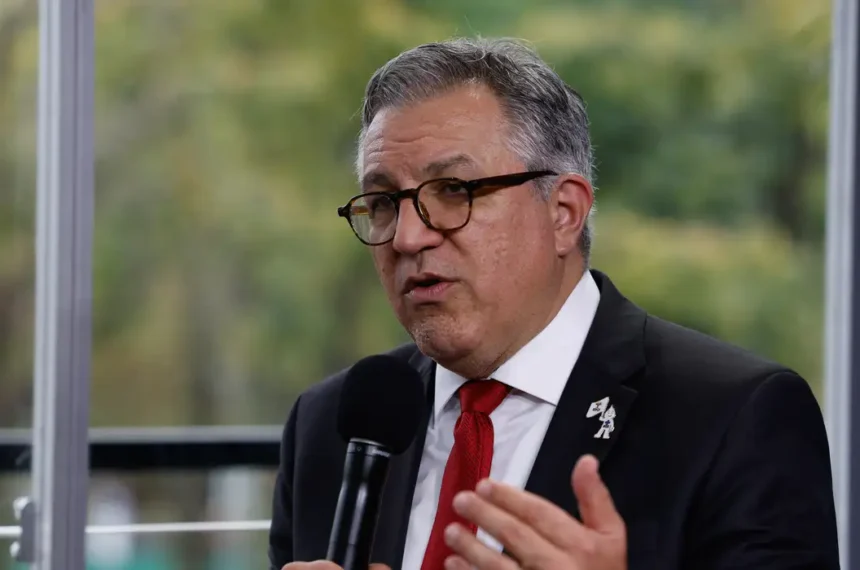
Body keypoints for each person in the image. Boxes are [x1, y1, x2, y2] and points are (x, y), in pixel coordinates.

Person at [268, 38, 840, 570]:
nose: (407, 237)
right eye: (382, 203)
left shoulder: (735, 416)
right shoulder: (329, 425)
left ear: (564, 213)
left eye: (454, 192)